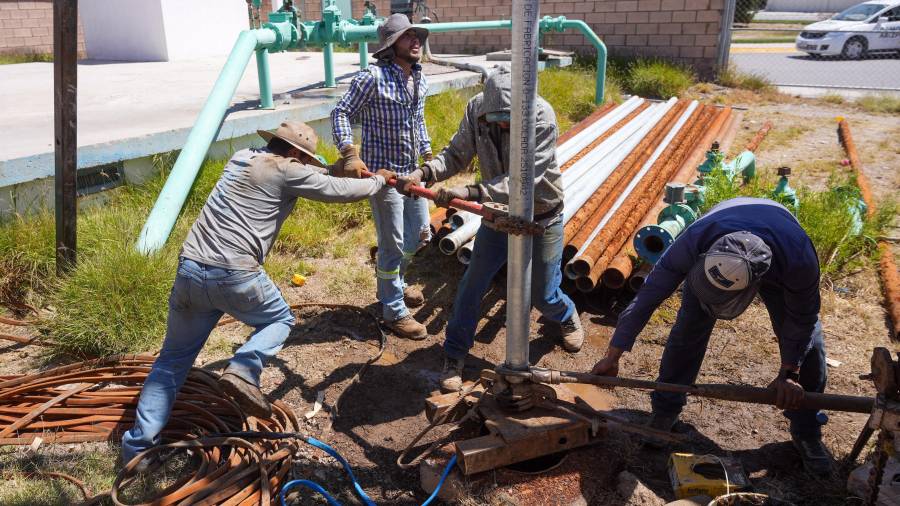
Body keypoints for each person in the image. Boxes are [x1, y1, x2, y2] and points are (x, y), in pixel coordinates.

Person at [120, 121, 394, 464]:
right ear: (295, 153)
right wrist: (379, 180)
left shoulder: (241, 157)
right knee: (279, 318)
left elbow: (314, 174)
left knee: (172, 361)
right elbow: (339, 191)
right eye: (304, 159)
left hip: (190, 267)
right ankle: (244, 369)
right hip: (234, 273)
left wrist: (335, 168)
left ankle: (138, 450)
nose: (306, 164)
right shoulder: (289, 171)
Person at [589, 196, 831, 475]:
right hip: (719, 239)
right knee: (687, 330)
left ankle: (807, 431)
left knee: (811, 345)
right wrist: (613, 353)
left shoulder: (799, 262)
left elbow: (802, 321)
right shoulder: (695, 240)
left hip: (780, 256)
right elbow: (648, 295)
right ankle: (665, 411)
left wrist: (790, 372)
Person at [399, 66, 585, 393]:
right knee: (472, 284)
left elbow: (525, 180)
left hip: (540, 216)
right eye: (495, 116)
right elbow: (456, 153)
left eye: (508, 118)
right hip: (498, 216)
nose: (501, 123)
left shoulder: (541, 117)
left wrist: (470, 192)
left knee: (543, 294)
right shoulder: (477, 109)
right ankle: (454, 354)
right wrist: (425, 173)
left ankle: (566, 314)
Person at [331, 13, 432, 340]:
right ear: (391, 45)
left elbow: (418, 121)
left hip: (412, 174)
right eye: (408, 37)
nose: (416, 40)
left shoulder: (420, 78)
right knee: (393, 244)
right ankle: (393, 310)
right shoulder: (372, 78)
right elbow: (340, 112)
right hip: (382, 176)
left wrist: (429, 156)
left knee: (419, 235)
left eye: (417, 35)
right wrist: (349, 153)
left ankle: (395, 283)